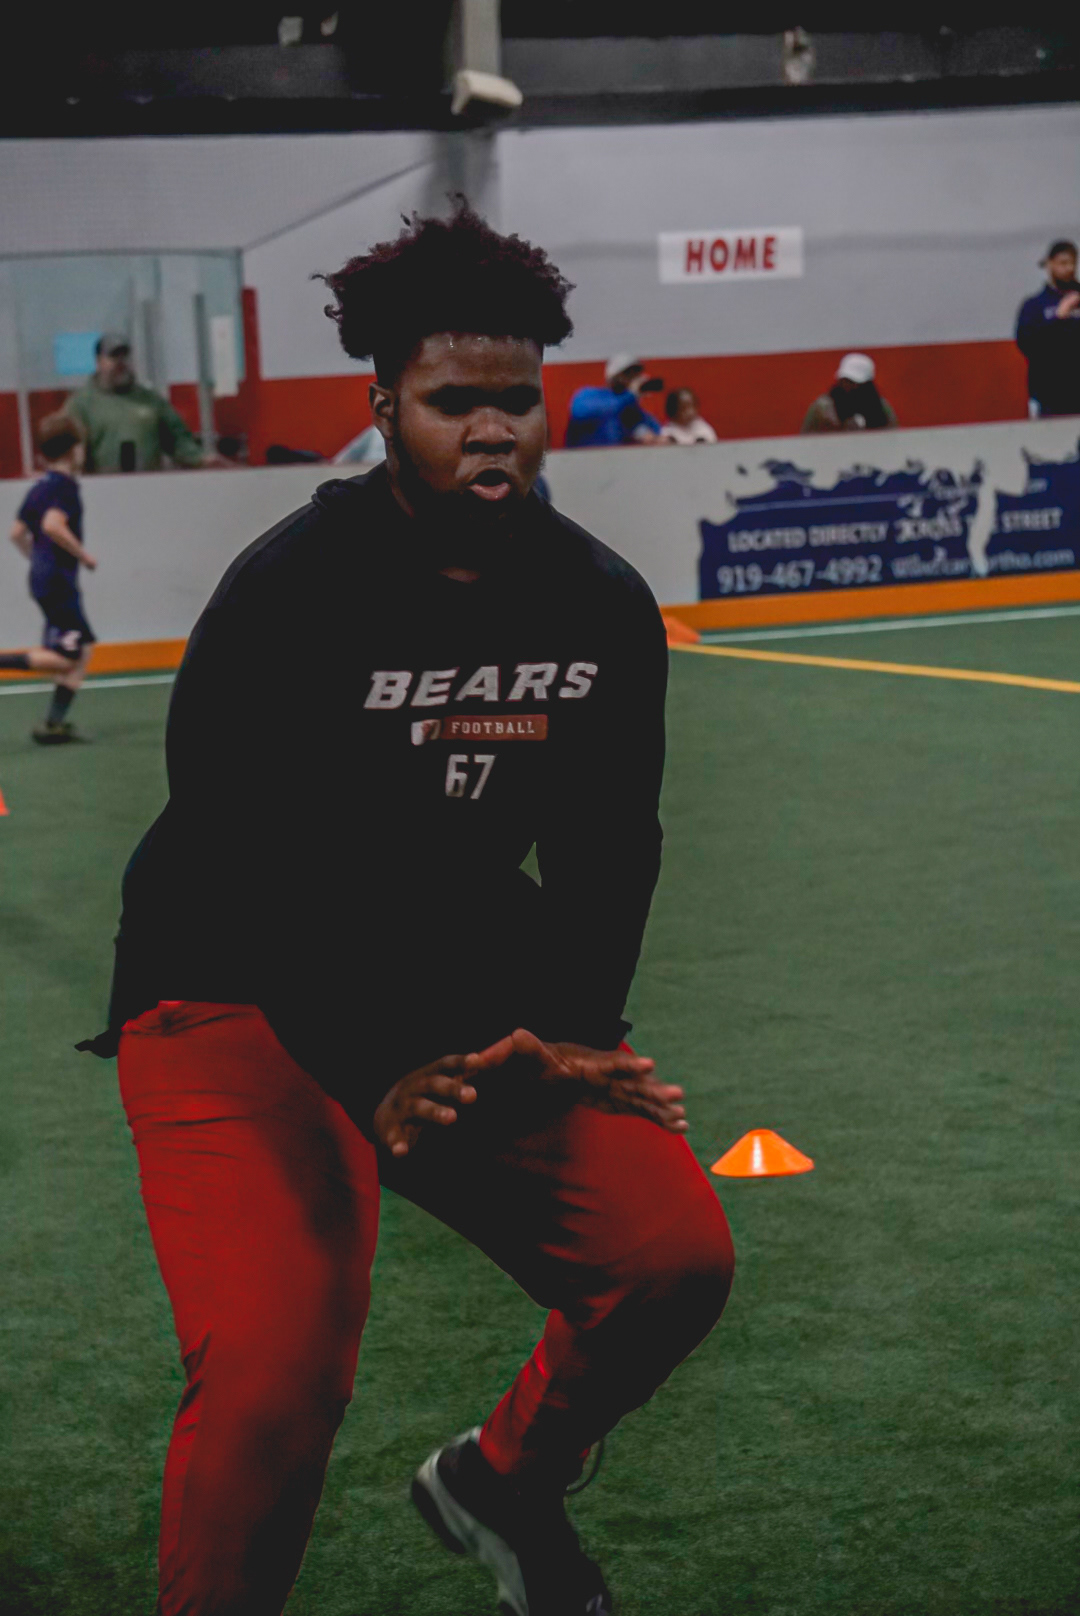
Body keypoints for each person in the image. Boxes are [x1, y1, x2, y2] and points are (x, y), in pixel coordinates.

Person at [77, 203, 734, 1616]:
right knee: (275, 1371)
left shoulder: (595, 601)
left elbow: (607, 840)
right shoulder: (288, 595)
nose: (493, 430)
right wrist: (374, 1064)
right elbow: (243, 863)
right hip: (231, 975)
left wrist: (574, 1030)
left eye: (518, 400)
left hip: (450, 962)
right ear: (383, 409)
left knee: (672, 1258)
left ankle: (504, 1482)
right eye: (452, 403)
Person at [0, 416, 98, 744]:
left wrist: (37, 559)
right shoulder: (64, 487)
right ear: (73, 450)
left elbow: (16, 533)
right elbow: (52, 525)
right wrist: (83, 555)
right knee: (70, 656)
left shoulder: (39, 488)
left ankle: (54, 723)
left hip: (44, 578)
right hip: (58, 582)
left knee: (82, 647)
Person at [65, 334, 212, 472]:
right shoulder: (81, 404)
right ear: (98, 362)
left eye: (125, 356)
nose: (121, 362)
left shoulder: (151, 400)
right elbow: (68, 452)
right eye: (114, 356)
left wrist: (201, 459)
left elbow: (179, 440)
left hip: (148, 485)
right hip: (101, 486)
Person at [1015, 238, 1080, 418]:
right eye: (1063, 263)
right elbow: (1027, 344)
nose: (1069, 269)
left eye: (1073, 263)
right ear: (1050, 264)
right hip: (1049, 397)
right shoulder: (1035, 306)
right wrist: (1058, 318)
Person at [564, 353, 665, 447]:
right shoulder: (587, 395)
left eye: (636, 374)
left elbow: (650, 431)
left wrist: (657, 439)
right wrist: (630, 395)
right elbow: (581, 412)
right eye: (628, 374)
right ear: (614, 377)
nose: (633, 378)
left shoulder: (636, 412)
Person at [801, 352, 897, 433]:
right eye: (846, 381)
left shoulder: (882, 409)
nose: (849, 386)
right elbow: (806, 438)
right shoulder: (822, 408)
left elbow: (893, 437)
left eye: (855, 383)